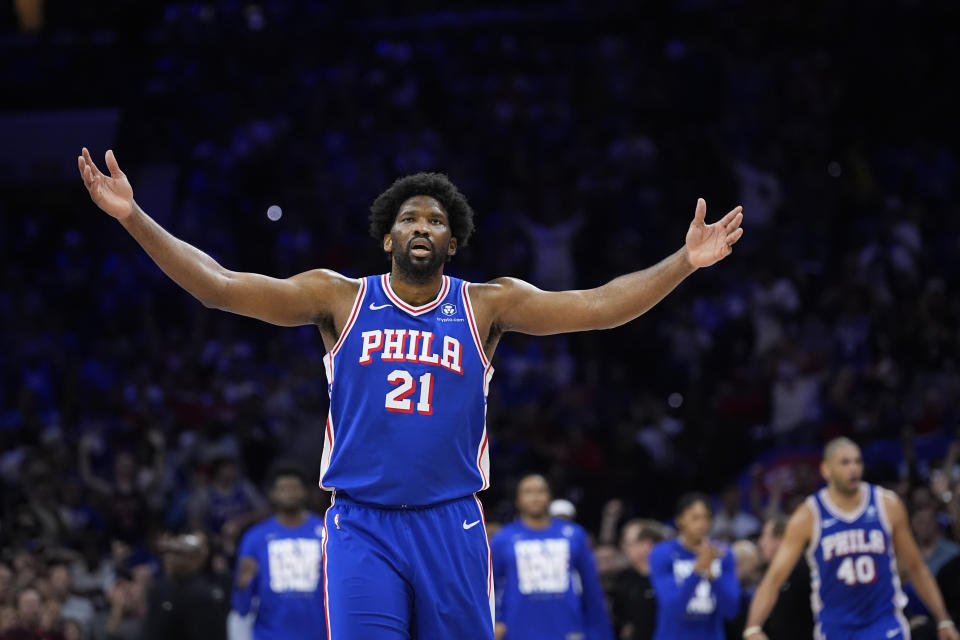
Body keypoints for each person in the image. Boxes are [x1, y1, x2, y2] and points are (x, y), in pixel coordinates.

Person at [78, 148, 744, 639]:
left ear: (452, 240)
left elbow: (598, 306)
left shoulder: (488, 306)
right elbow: (218, 286)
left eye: (434, 220)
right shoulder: (337, 296)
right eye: (409, 218)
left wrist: (684, 261)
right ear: (389, 236)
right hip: (362, 523)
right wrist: (134, 216)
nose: (422, 226)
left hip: (450, 521)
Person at [743, 437, 959, 640]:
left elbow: (916, 567)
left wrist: (943, 619)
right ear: (826, 469)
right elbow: (774, 578)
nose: (853, 468)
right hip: (836, 629)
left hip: (884, 624)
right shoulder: (808, 516)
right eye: (844, 462)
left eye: (857, 461)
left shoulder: (887, 505)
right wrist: (753, 627)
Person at [490, 474, 613, 640]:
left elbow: (591, 587)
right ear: (518, 499)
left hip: (568, 625)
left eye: (541, 491)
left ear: (550, 496)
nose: (535, 497)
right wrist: (495, 620)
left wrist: (600, 632)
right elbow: (491, 587)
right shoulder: (503, 539)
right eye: (528, 492)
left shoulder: (574, 534)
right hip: (518, 627)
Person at [232, 462, 327, 640]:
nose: (289, 493)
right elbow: (241, 608)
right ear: (272, 494)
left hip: (319, 634)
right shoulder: (255, 537)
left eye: (294, 488)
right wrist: (243, 584)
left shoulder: (325, 531)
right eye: (283, 488)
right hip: (269, 635)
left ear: (305, 492)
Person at [649, 493, 739, 640]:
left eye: (707, 517)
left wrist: (712, 576)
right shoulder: (662, 553)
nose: (702, 523)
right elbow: (671, 609)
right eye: (695, 517)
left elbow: (731, 611)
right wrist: (697, 572)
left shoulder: (723, 554)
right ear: (680, 520)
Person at [751, 514, 813, 640]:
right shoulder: (771, 572)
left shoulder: (802, 568)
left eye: (765, 536)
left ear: (779, 540)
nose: (761, 543)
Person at [611, 519, 664, 640]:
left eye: (628, 543)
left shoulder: (668, 577)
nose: (623, 548)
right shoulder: (623, 579)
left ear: (647, 545)